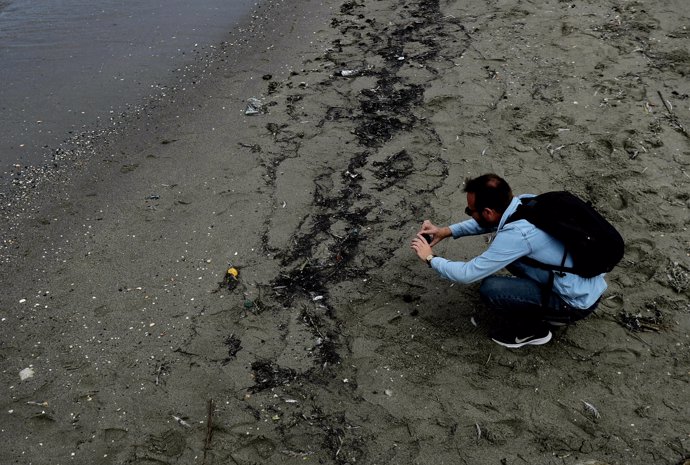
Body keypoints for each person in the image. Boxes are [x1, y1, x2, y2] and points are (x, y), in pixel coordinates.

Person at [410, 173, 606, 348]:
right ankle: (542, 303)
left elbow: (466, 274)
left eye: (471, 211)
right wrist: (445, 232)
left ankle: (533, 331)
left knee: (491, 289)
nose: (470, 214)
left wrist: (430, 258)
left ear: (487, 212)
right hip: (587, 285)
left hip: (574, 303)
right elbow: (489, 223)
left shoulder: (517, 236)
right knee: (508, 257)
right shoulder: (526, 202)